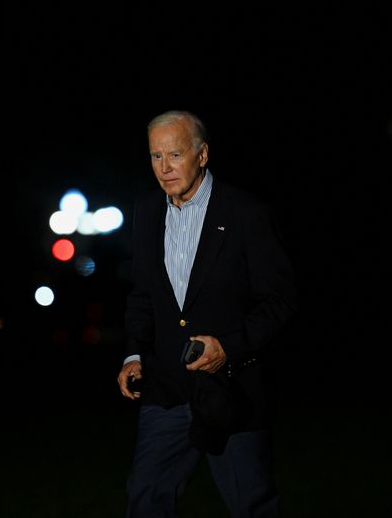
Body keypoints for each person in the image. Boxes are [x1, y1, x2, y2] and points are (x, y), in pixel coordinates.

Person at [117, 110, 297, 517]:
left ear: (202, 155)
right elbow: (143, 294)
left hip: (230, 389)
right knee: (144, 499)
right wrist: (132, 355)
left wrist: (229, 348)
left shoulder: (245, 213)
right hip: (164, 389)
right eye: (155, 157)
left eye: (175, 155)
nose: (164, 168)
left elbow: (280, 300)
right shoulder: (147, 212)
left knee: (252, 503)